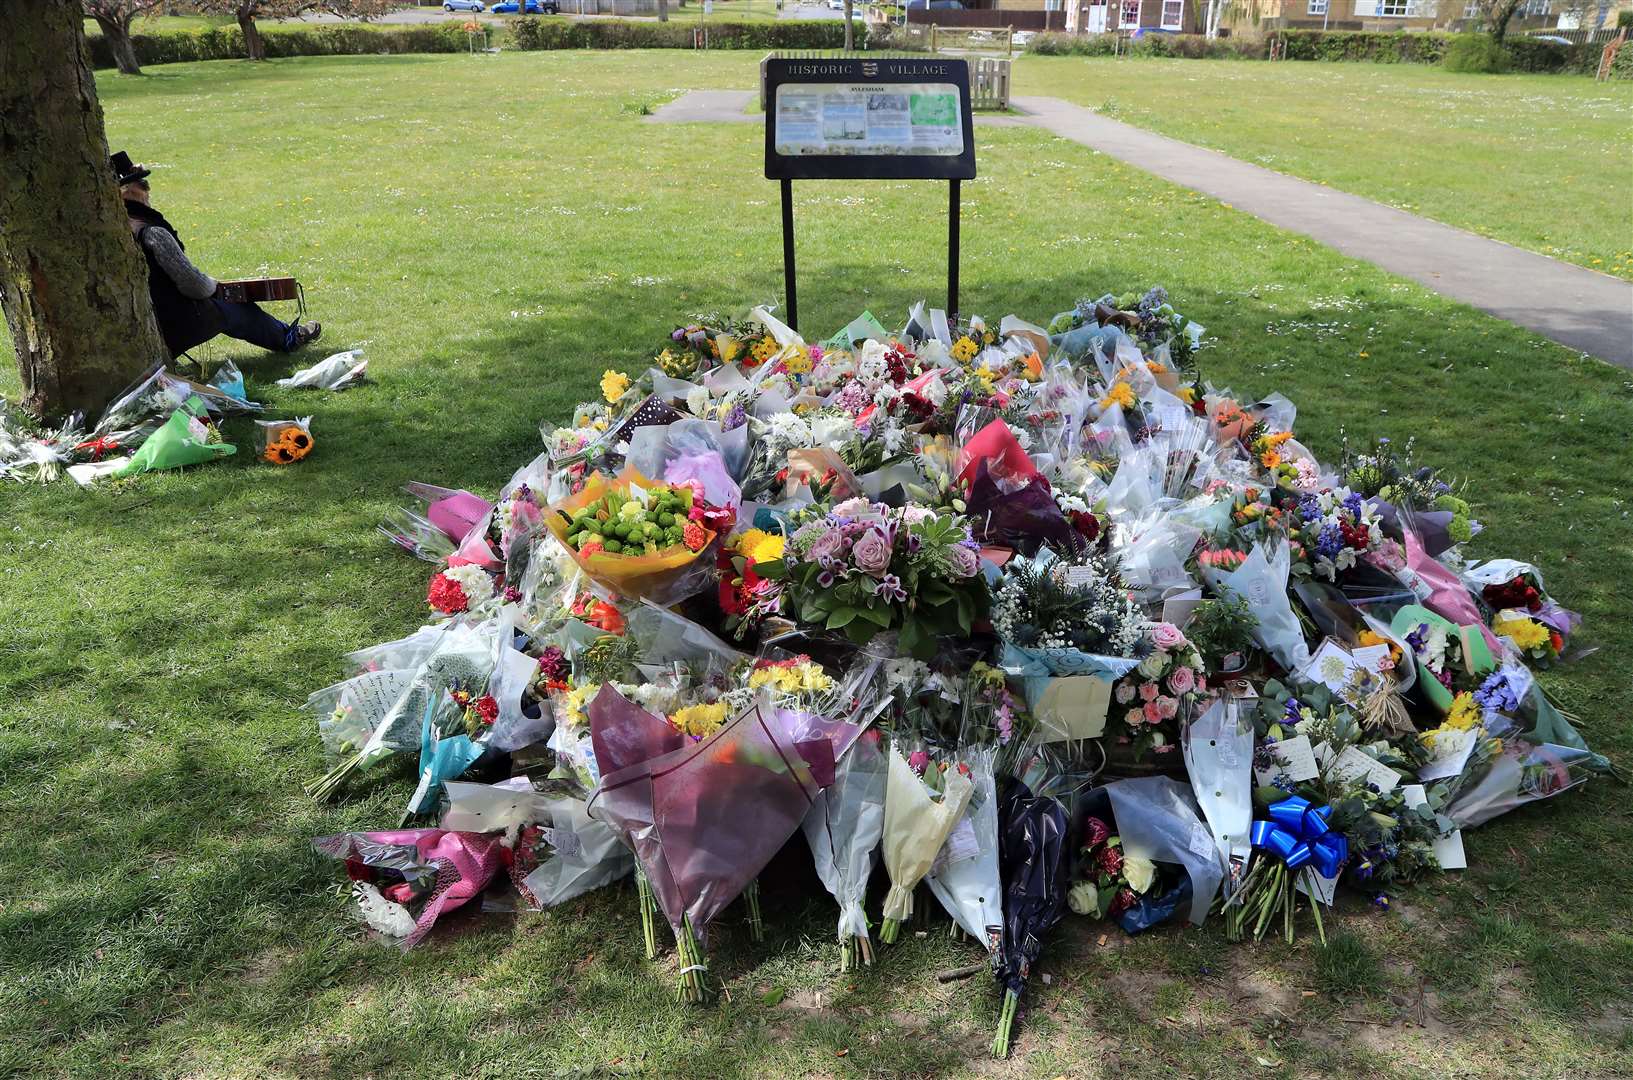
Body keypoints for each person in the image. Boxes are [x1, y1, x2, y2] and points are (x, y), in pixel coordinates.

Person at [112, 151, 321, 360]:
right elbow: (194, 285)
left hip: (146, 322)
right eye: (140, 184)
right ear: (127, 191)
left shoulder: (115, 228)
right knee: (235, 304)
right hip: (171, 322)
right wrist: (216, 287)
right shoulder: (151, 231)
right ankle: (289, 337)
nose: (146, 190)